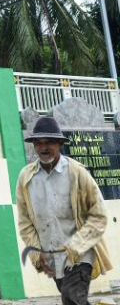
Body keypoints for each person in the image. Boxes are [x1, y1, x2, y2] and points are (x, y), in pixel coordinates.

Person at [16, 116, 112, 305]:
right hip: (52, 258)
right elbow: (25, 222)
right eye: (38, 143)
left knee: (71, 297)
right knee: (73, 299)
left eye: (49, 142)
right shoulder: (26, 178)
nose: (43, 148)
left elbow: (99, 216)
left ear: (60, 143)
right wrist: (37, 252)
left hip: (80, 253)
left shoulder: (77, 173)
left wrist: (75, 246)